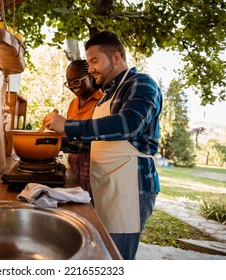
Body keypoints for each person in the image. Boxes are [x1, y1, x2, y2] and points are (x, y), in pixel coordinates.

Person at [44, 31, 162, 260]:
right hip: (108, 187)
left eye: (94, 61)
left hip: (131, 188)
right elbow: (96, 144)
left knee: (116, 258)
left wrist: (69, 125)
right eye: (89, 63)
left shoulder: (142, 84)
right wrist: (51, 144)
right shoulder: (107, 95)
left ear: (116, 57)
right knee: (102, 254)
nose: (90, 69)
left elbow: (129, 125)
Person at [62, 60, 104, 200]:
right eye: (69, 83)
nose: (72, 87)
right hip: (73, 161)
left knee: (88, 204)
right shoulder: (73, 103)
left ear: (91, 76)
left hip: (92, 164)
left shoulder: (102, 101)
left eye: (76, 82)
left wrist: (61, 143)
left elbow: (96, 141)